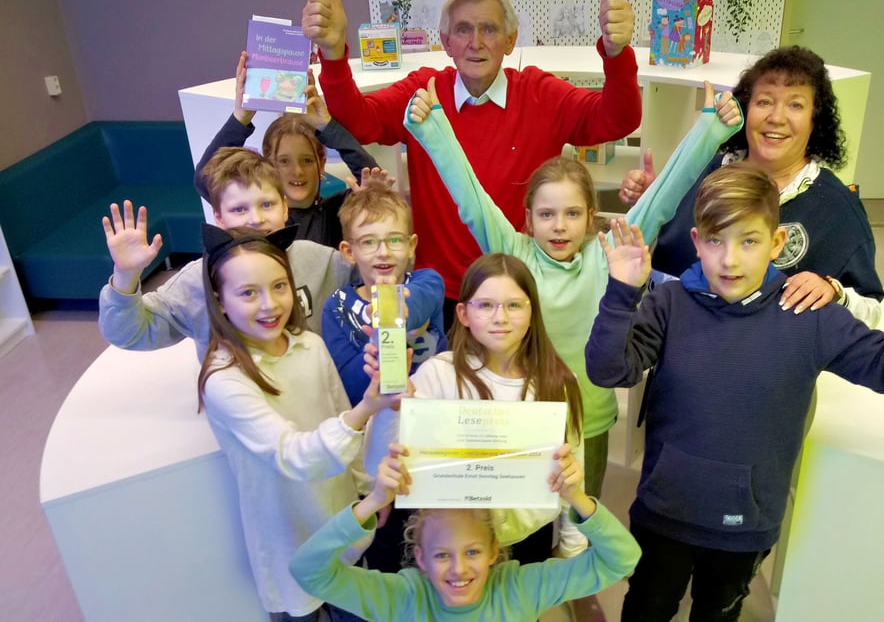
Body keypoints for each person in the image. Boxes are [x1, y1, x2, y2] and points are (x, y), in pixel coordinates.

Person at [586, 165, 884, 621]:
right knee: (646, 606)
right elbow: (607, 370)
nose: (730, 260)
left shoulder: (808, 314)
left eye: (749, 241)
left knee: (718, 612)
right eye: (716, 241)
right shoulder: (668, 303)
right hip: (664, 510)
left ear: (777, 242)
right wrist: (621, 293)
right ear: (696, 242)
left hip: (746, 524)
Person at [403, 77, 741, 498]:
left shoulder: (608, 254)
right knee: (519, 518)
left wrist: (709, 129)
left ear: (590, 215)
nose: (559, 226)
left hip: (589, 421)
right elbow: (469, 195)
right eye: (547, 214)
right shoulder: (513, 252)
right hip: (521, 418)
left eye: (572, 213)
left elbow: (663, 197)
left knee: (579, 520)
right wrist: (432, 128)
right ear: (528, 218)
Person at [302, 0, 642, 322]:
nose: (475, 42)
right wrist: (333, 53)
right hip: (440, 294)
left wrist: (616, 54)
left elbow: (618, 120)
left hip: (520, 289)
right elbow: (359, 120)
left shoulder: (541, 95)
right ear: (446, 41)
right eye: (463, 29)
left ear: (510, 40)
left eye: (489, 29)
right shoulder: (424, 91)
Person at [198, 224, 398, 621]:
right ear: (220, 300)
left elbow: (339, 416)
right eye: (248, 293)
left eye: (279, 286)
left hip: (340, 518)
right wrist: (367, 408)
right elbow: (292, 455)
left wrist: (366, 489)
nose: (269, 305)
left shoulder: (311, 346)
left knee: (355, 608)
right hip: (286, 532)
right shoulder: (224, 379)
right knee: (301, 610)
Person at [621, 46, 884, 327]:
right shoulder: (699, 173)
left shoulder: (837, 207)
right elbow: (646, 265)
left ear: (815, 120)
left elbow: (871, 310)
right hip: (668, 339)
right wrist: (656, 201)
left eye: (795, 105)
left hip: (763, 353)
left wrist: (834, 292)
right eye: (764, 101)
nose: (777, 117)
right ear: (746, 108)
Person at [366, 253, 589, 565]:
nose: (500, 317)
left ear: (532, 312)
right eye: (485, 305)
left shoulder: (559, 382)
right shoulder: (438, 373)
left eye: (514, 305)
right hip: (450, 544)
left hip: (527, 541)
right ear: (463, 313)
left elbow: (574, 465)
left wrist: (572, 544)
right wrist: (391, 405)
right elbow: (380, 459)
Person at [289, 442, 641, 621]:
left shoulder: (520, 588)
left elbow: (623, 558)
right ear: (421, 558)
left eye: (472, 551)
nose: (458, 569)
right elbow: (307, 570)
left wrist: (576, 497)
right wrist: (372, 503)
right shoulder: (403, 597)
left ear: (493, 550)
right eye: (442, 555)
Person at [99, 147, 362, 359]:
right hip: (237, 400)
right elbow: (130, 334)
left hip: (311, 393)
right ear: (219, 218)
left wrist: (370, 222)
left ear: (284, 207)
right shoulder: (197, 279)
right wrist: (125, 275)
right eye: (239, 209)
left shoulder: (319, 259)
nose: (256, 219)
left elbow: (375, 279)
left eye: (266, 204)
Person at [194, 52, 379, 247]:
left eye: (307, 160)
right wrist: (241, 118)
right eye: (284, 161)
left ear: (322, 163)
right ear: (269, 166)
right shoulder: (258, 218)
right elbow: (205, 178)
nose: (297, 171)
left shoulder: (337, 211)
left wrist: (327, 125)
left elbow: (372, 179)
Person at [321, 186, 447, 406]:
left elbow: (419, 301)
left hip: (434, 410)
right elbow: (347, 387)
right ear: (349, 252)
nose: (383, 252)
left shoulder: (428, 281)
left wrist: (394, 309)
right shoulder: (336, 307)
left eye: (395, 240)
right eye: (369, 242)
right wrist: (378, 353)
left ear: (411, 246)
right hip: (374, 416)